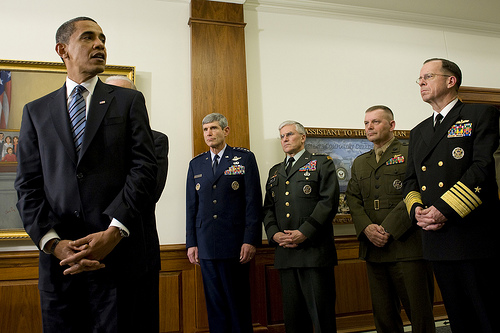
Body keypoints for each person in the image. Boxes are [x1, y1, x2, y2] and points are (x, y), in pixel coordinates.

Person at [14, 17, 160, 333]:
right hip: (61, 266)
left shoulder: (128, 101)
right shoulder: (36, 112)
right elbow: (27, 185)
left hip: (117, 259)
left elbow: (144, 169)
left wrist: (114, 231)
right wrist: (53, 243)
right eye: (88, 38)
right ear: (62, 50)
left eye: (103, 38)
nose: (99, 44)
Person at [403, 58, 500, 333]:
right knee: (459, 319)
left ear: (450, 80)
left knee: (486, 316)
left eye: (428, 76)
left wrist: (443, 209)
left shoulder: (481, 114)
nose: (421, 82)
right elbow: (410, 179)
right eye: (419, 78)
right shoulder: (418, 131)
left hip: (472, 235)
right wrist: (418, 212)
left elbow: (482, 168)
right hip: (435, 238)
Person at [346, 105, 435, 333]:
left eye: (375, 121)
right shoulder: (360, 162)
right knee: (384, 316)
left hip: (407, 246)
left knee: (419, 314)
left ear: (392, 125)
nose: (369, 127)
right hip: (374, 250)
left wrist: (386, 229)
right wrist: (366, 228)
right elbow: (353, 200)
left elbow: (417, 192)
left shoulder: (410, 153)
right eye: (366, 123)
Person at [185, 113, 262, 333]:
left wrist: (250, 240)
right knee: (215, 306)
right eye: (206, 129)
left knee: (237, 304)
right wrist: (191, 243)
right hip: (206, 245)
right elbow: (191, 207)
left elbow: (253, 202)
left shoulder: (244, 159)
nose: (209, 133)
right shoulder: (196, 164)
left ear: (225, 131)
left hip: (235, 245)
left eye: (214, 128)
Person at [263, 120, 339, 333]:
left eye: (289, 135)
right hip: (285, 254)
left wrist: (304, 232)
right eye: (282, 137)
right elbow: (268, 208)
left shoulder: (321, 164)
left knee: (321, 317)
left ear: (303, 137)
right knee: (294, 320)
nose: (285, 139)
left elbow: (328, 203)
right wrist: (274, 234)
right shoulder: (275, 171)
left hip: (314, 252)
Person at [104, 75, 169, 202]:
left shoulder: (156, 140)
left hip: (131, 219)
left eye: (122, 95)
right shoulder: (92, 139)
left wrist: (116, 219)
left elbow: (150, 192)